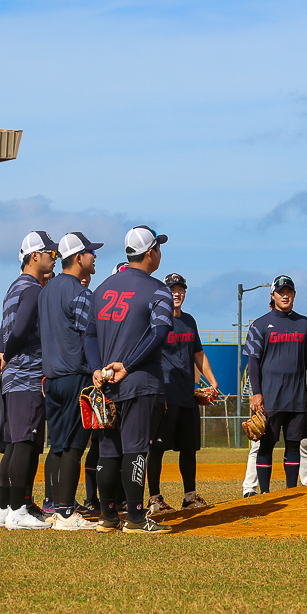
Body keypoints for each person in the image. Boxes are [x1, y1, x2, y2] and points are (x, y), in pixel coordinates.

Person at [84, 225, 174, 534]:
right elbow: (160, 333)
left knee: (108, 451)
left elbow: (90, 334)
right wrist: (130, 364)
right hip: (139, 381)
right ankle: (135, 518)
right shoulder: (158, 289)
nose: (159, 253)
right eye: (158, 248)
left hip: (105, 383)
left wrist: (96, 367)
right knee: (135, 449)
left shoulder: (104, 286)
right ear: (151, 253)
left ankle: (109, 516)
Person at [37, 232, 103, 530]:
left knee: (58, 445)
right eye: (90, 252)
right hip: (75, 376)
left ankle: (53, 505)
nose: (94, 257)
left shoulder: (47, 290)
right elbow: (91, 335)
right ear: (78, 258)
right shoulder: (79, 292)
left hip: (51, 378)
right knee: (75, 447)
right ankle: (65, 512)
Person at [146, 273, 218, 514]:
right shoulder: (157, 321)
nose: (177, 293)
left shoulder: (189, 321)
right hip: (165, 395)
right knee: (156, 448)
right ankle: (154, 498)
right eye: (172, 289)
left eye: (180, 289)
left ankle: (189, 496)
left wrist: (213, 381)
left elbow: (198, 354)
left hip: (187, 395)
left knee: (189, 448)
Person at [1, 231, 58, 530]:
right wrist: (9, 354)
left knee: (13, 443)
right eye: (51, 252)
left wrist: (4, 355)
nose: (53, 258)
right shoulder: (34, 289)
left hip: (12, 378)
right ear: (35, 256)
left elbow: (6, 330)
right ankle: (18, 510)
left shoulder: (13, 288)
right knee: (25, 442)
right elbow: (20, 331)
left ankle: (5, 508)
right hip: (26, 374)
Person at [244, 276, 307, 494]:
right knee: (266, 445)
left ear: (294, 294)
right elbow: (253, 361)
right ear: (273, 295)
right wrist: (256, 393)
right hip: (270, 396)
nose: (285, 295)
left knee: (294, 444)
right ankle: (265, 493)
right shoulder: (260, 325)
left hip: (297, 396)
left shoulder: (304, 323)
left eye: (289, 291)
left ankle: (291, 491)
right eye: (280, 292)